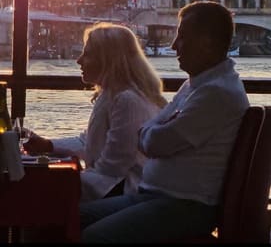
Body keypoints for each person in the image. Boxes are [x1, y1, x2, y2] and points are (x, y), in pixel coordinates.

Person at [79, 1, 250, 243]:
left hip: (185, 206)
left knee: (95, 236)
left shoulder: (216, 94)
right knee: (71, 216)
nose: (174, 45)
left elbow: (155, 144)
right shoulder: (197, 85)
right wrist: (152, 132)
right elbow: (154, 132)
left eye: (182, 37)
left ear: (207, 43)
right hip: (160, 197)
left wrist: (150, 132)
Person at [23, 23, 166, 201]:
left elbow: (112, 169)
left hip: (121, 193)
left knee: (34, 197)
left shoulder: (126, 101)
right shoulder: (115, 95)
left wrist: (56, 182)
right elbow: (89, 142)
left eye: (87, 54)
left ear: (108, 60)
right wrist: (48, 146)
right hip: (113, 187)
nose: (79, 60)